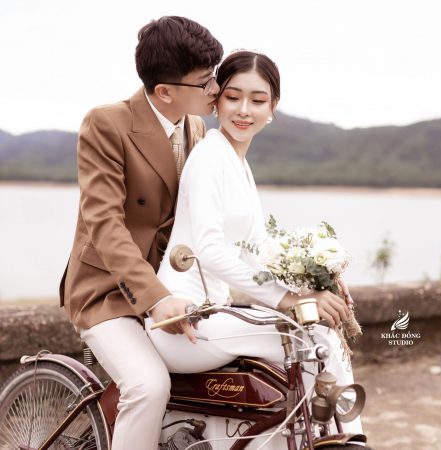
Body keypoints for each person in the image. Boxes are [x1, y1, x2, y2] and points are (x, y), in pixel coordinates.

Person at [146, 50, 363, 434]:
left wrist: (313, 285)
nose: (244, 110)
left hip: (215, 316)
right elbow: (210, 251)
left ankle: (323, 437)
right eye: (233, 97)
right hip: (184, 321)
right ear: (216, 100)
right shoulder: (210, 156)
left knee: (316, 337)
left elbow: (257, 252)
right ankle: (349, 439)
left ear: (272, 107)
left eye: (258, 100)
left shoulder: (238, 163)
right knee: (316, 338)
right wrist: (289, 300)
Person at [59, 16, 223, 450]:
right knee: (148, 387)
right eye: (205, 81)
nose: (215, 89)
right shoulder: (106, 123)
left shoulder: (196, 127)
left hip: (175, 285)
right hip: (108, 289)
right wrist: (155, 298)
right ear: (165, 91)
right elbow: (104, 223)